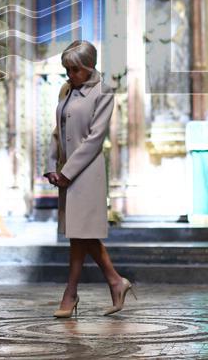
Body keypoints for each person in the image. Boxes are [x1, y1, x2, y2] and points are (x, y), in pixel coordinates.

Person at [43, 40, 132, 318]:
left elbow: (95, 139)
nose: (69, 75)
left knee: (80, 234)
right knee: (79, 235)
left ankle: (71, 294)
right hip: (66, 171)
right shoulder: (66, 89)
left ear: (88, 66)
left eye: (74, 69)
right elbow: (57, 130)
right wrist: (51, 165)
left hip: (86, 172)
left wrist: (68, 172)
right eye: (66, 70)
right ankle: (115, 282)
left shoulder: (103, 92)